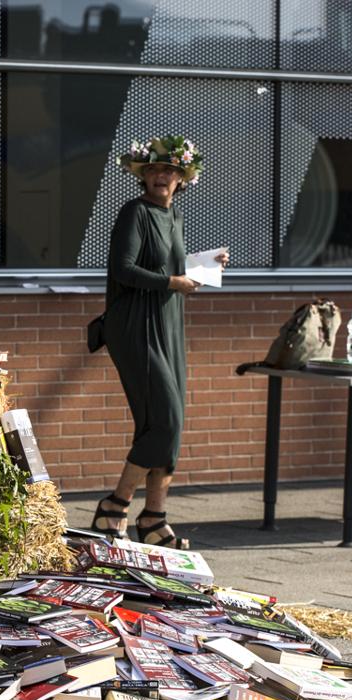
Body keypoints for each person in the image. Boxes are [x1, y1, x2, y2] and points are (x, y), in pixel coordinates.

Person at [89, 136, 227, 548]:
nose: (160, 175)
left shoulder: (175, 216)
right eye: (153, 170)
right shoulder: (134, 212)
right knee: (164, 419)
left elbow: (169, 264)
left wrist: (203, 265)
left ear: (182, 178)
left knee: (171, 423)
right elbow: (124, 269)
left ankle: (154, 517)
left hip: (168, 323)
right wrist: (172, 282)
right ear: (143, 176)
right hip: (134, 325)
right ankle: (115, 505)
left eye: (169, 170)